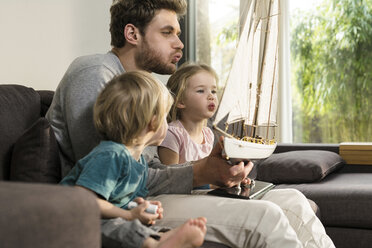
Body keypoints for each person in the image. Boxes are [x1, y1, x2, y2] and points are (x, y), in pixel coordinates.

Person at [47, 0, 335, 247]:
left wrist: (212, 170)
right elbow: (116, 175)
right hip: (118, 206)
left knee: (293, 202)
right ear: (132, 33)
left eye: (179, 33)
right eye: (167, 32)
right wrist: (199, 173)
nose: (180, 43)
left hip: (146, 195)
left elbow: (147, 169)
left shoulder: (144, 89)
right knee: (267, 216)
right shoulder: (96, 73)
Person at [60, 71, 207, 248]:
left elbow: (119, 200)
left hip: (106, 218)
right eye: (165, 118)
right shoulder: (111, 155)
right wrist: (129, 215)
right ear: (153, 122)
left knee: (130, 225)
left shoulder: (138, 161)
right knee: (121, 227)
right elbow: (85, 200)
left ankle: (160, 238)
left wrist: (139, 207)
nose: (168, 125)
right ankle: (156, 245)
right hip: (75, 220)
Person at [158, 63, 218, 189]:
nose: (211, 96)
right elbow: (171, 180)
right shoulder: (172, 134)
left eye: (213, 91)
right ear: (180, 101)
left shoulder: (208, 134)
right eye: (201, 91)